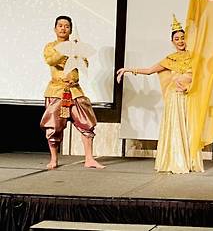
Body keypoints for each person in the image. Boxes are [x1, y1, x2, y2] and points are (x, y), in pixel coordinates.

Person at [117, 15, 203, 174]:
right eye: (177, 38)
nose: (180, 41)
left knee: (189, 129)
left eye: (182, 38)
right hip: (174, 98)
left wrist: (188, 87)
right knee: (176, 129)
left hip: (188, 97)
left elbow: (202, 78)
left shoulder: (195, 57)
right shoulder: (170, 59)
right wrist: (128, 69)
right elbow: (149, 71)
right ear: (172, 42)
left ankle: (189, 161)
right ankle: (176, 161)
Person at [40, 15, 105, 169]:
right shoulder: (50, 46)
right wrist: (66, 50)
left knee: (86, 123)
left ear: (70, 29)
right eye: (60, 25)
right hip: (56, 91)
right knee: (53, 126)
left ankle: (89, 159)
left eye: (67, 26)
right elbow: (51, 60)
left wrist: (76, 53)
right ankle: (54, 159)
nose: (63, 28)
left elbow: (84, 63)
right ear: (55, 28)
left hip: (74, 90)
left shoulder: (77, 46)